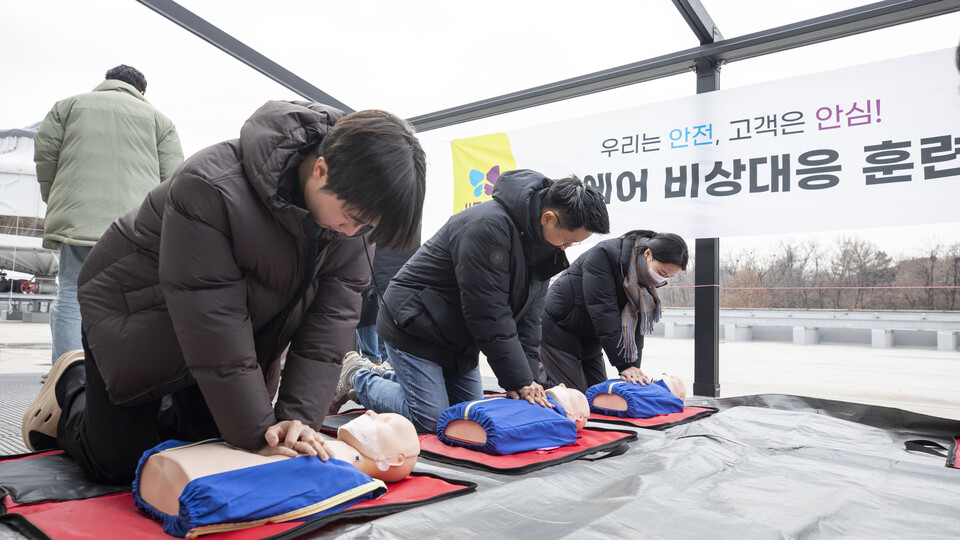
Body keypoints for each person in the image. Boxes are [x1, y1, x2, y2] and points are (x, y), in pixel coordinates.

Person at [20, 100, 426, 486]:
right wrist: (258, 436)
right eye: (352, 219)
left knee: (206, 446)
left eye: (367, 226)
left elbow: (327, 330)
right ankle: (72, 384)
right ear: (321, 169)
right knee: (117, 465)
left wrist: (297, 422)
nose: (355, 232)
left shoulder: (352, 223)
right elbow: (214, 321)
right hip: (137, 314)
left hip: (231, 334)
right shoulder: (212, 187)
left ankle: (168, 409)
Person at [337, 170, 609, 433]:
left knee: (468, 418)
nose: (566, 248)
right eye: (569, 241)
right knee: (432, 421)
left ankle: (395, 381)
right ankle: (358, 376)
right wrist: (519, 380)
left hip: (458, 336)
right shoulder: (488, 226)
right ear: (548, 218)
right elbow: (489, 312)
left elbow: (529, 321)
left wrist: (529, 382)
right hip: (414, 324)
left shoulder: (543, 248)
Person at [33, 65, 183, 369]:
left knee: (72, 295)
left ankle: (66, 376)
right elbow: (173, 179)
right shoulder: (160, 120)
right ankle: (118, 375)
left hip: (78, 220)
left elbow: (45, 153)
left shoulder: (69, 106)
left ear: (107, 82)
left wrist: (56, 197)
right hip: (134, 227)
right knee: (130, 300)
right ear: (141, 92)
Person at [136, 411, 420, 516]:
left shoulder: (351, 479)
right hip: (174, 466)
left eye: (386, 420)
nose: (371, 412)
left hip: (193, 487)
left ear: (395, 459)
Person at [539, 230, 689, 393]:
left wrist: (632, 368)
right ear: (647, 254)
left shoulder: (643, 277)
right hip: (559, 327)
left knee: (600, 395)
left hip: (590, 335)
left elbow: (634, 325)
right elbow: (603, 310)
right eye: (661, 273)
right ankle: (536, 380)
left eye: (668, 277)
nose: (660, 280)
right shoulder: (603, 255)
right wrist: (624, 365)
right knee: (575, 397)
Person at [354, 244, 417, 363]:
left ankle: (373, 361)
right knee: (379, 315)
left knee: (369, 311)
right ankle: (381, 362)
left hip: (380, 265)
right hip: (401, 267)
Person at [586, 372, 686, 418]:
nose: (665, 373)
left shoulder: (671, 398)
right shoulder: (647, 385)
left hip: (597, 393)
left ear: (681, 396)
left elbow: (675, 404)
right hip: (602, 392)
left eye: (671, 377)